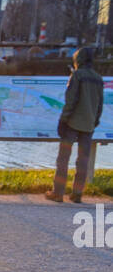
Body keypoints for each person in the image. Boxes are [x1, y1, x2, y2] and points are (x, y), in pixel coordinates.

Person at [45, 46, 105, 204]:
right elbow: (100, 104)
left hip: (72, 123)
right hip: (89, 124)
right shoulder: (98, 79)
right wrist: (95, 120)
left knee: (63, 158)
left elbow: (70, 101)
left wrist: (63, 120)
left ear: (78, 60)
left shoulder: (77, 76)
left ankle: (58, 193)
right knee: (83, 160)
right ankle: (77, 193)